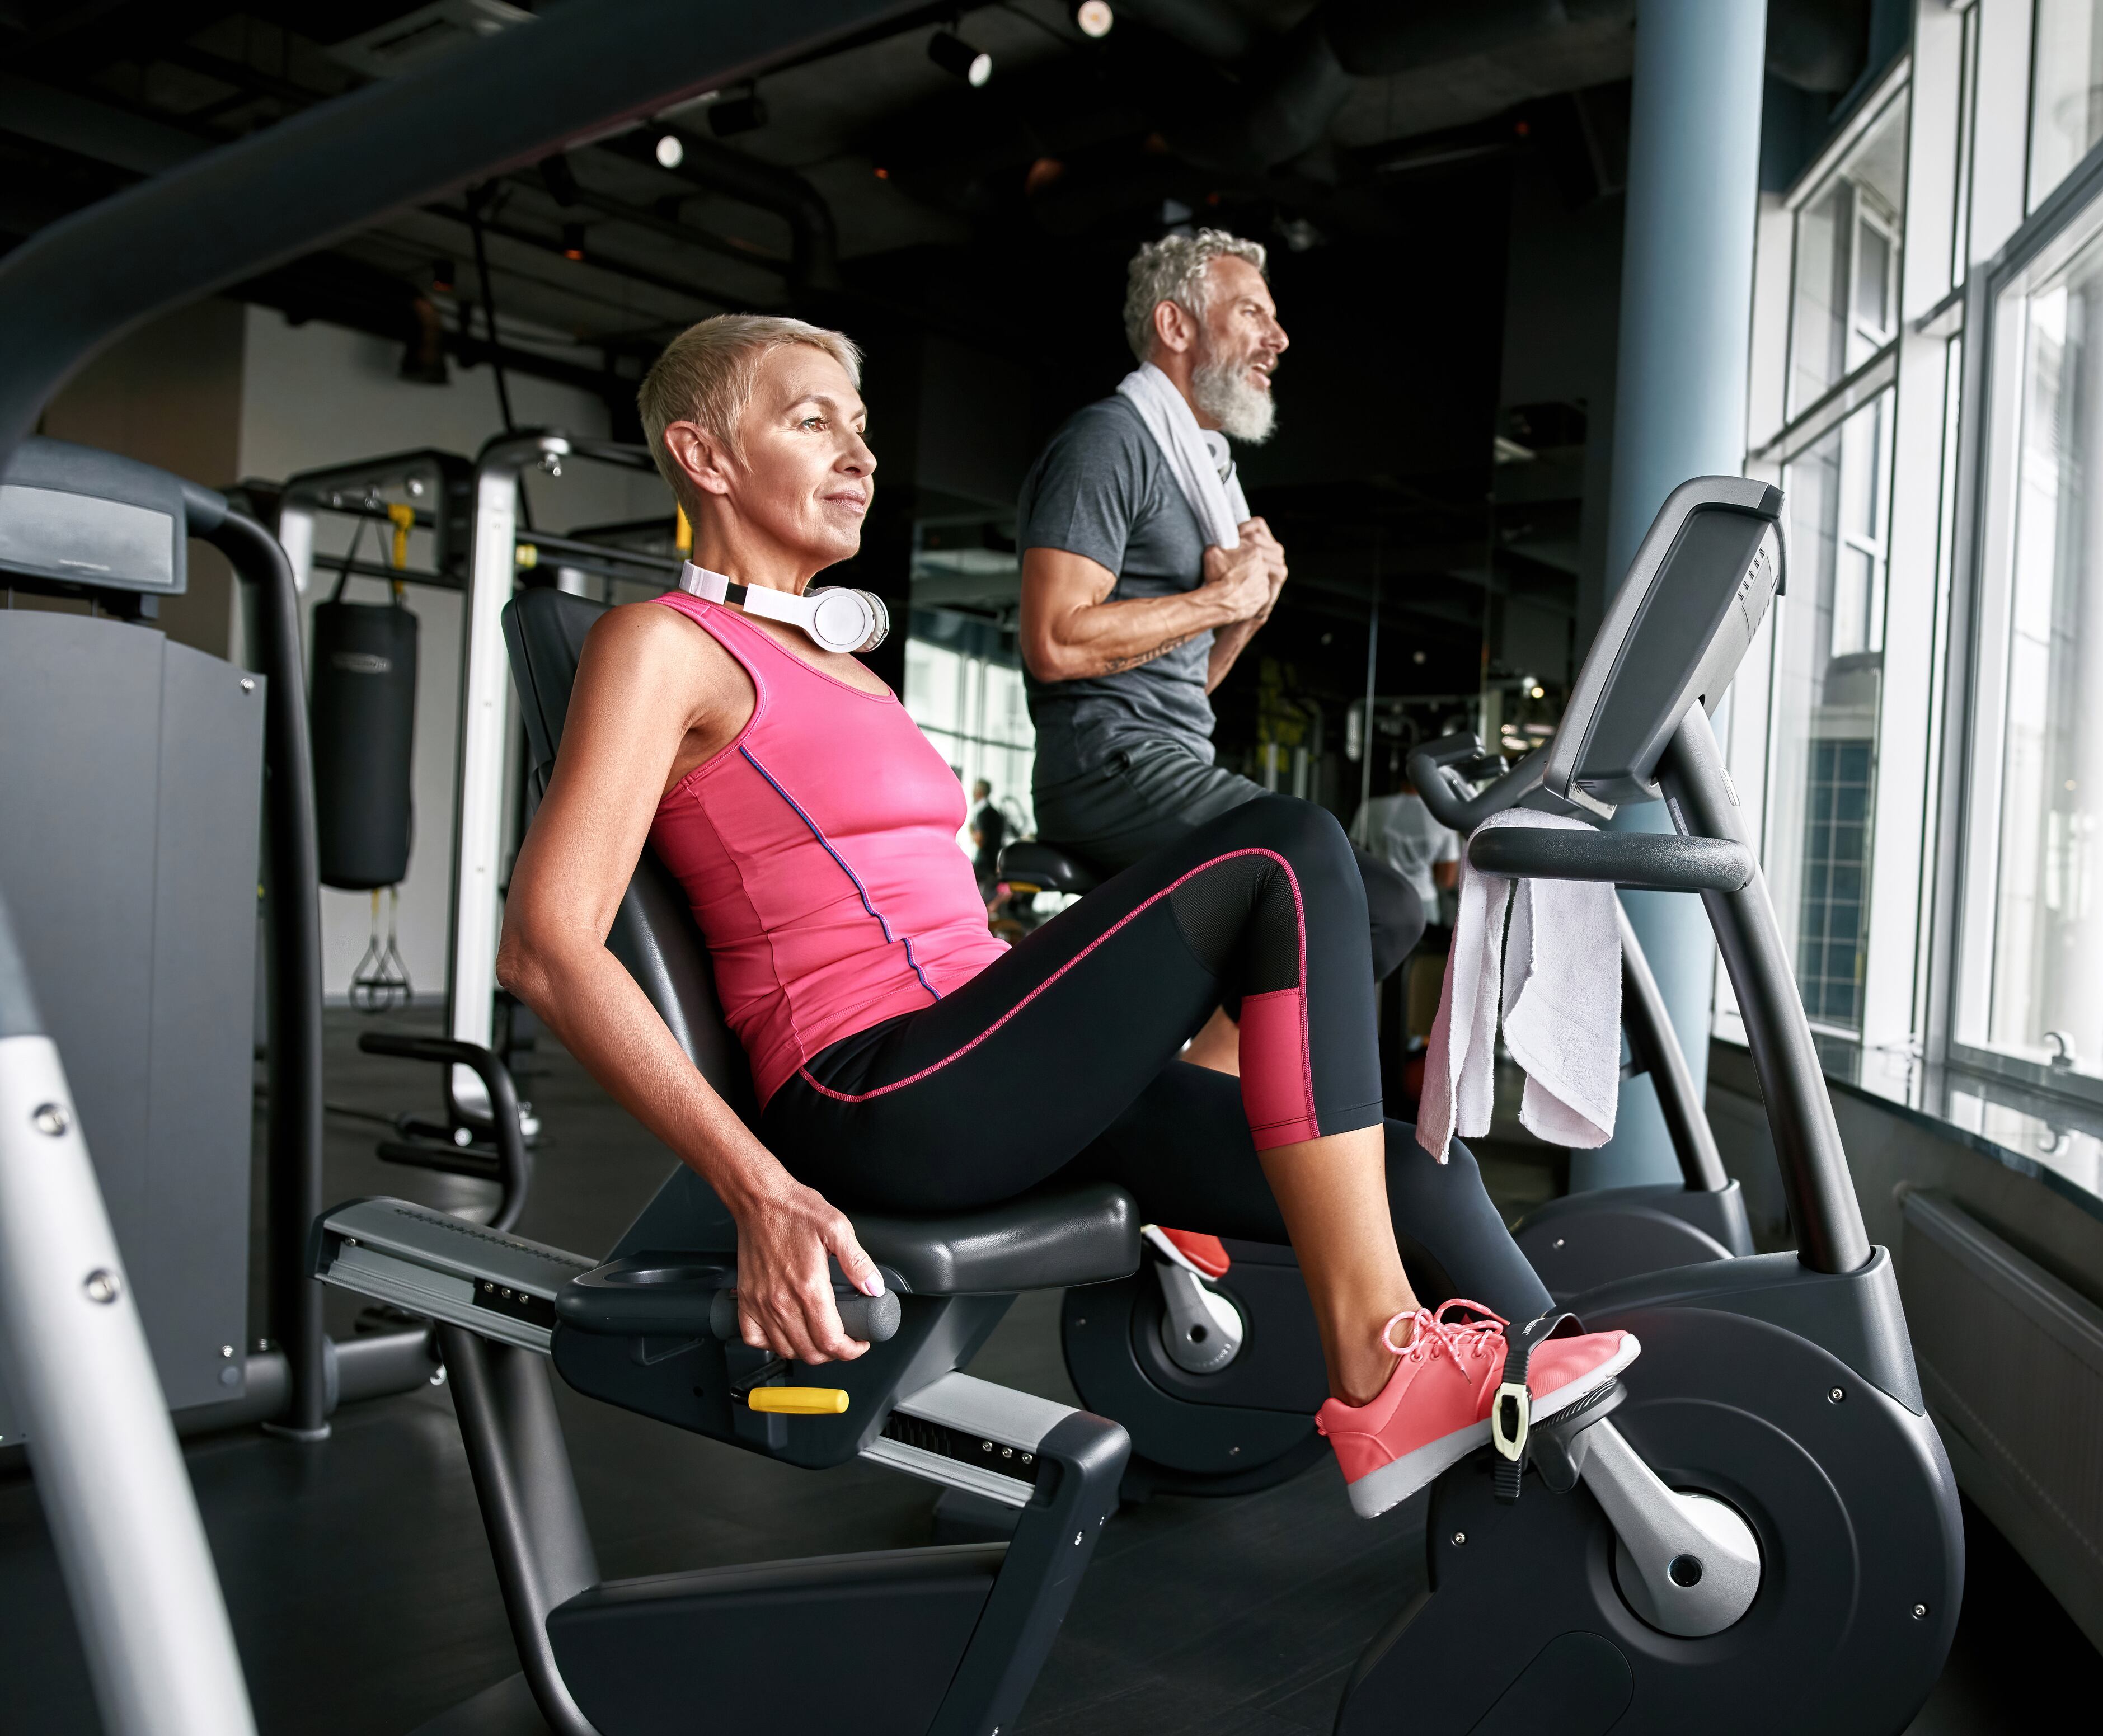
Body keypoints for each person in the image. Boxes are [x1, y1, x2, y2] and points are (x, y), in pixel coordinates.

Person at [492, 313, 1632, 1520]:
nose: (860, 455)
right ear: (705, 456)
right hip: (877, 1092)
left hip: (977, 1051)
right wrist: (758, 1192)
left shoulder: (851, 672)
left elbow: (919, 909)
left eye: (863, 427)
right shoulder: (662, 645)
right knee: (1287, 853)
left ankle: (1600, 1468)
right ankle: (1377, 1362)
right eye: (812, 420)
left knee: (1415, 1175)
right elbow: (547, 945)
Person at [1015, 229, 1423, 1073]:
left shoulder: (1205, 475)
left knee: (1351, 898)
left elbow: (1182, 687)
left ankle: (1173, 1093)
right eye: (1251, 313)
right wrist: (1215, 598)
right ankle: (1185, 1113)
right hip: (1108, 766)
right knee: (1368, 896)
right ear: (1177, 326)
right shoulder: (1110, 444)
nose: (1278, 338)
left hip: (1161, 753)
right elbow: (1054, 640)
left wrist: (1242, 620)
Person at [1351, 775, 1463, 931]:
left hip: (1381, 898)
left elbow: (1354, 855)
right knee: (1425, 953)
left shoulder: (1372, 807)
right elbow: (1447, 879)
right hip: (1423, 902)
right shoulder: (1442, 817)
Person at [967, 777, 1007, 893]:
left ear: (979, 793)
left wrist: (971, 830)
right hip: (994, 861)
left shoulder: (982, 814)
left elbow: (980, 841)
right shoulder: (996, 813)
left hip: (983, 864)